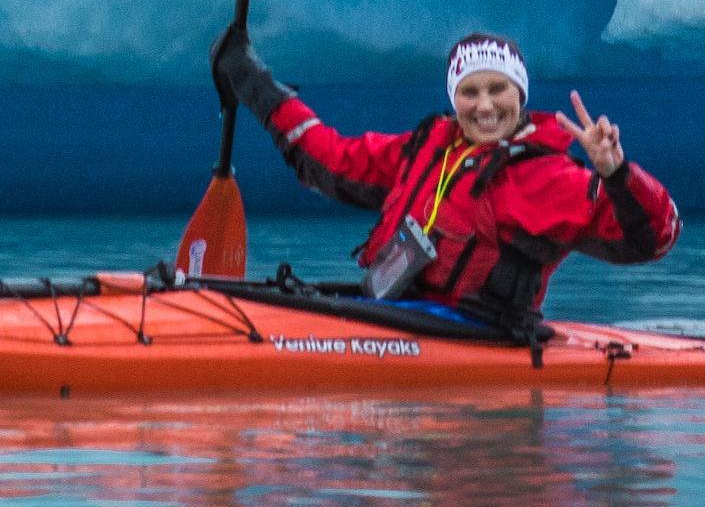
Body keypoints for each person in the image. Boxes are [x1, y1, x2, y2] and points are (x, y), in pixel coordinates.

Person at [213, 26, 680, 339]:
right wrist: (255, 84)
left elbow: (653, 239)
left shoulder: (544, 176)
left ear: (520, 93)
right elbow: (331, 161)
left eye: (498, 89)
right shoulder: (429, 147)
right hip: (402, 316)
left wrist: (617, 174)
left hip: (474, 336)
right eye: (470, 92)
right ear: (454, 98)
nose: (485, 106)